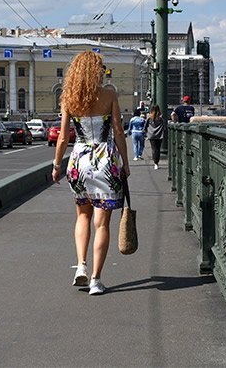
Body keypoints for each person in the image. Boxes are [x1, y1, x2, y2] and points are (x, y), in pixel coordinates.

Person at [51, 51, 130, 296]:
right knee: (102, 222)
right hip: (105, 161)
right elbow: (118, 131)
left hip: (79, 161)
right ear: (96, 71)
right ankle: (96, 280)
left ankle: (81, 267)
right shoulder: (108, 95)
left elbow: (64, 137)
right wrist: (125, 163)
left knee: (82, 216)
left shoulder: (69, 98)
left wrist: (56, 165)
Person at [144, 105, 166, 169]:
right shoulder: (161, 118)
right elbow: (164, 126)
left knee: (154, 149)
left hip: (151, 135)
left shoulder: (149, 117)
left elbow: (145, 126)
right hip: (159, 135)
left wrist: (146, 133)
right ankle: (157, 162)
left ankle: (155, 163)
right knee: (158, 149)